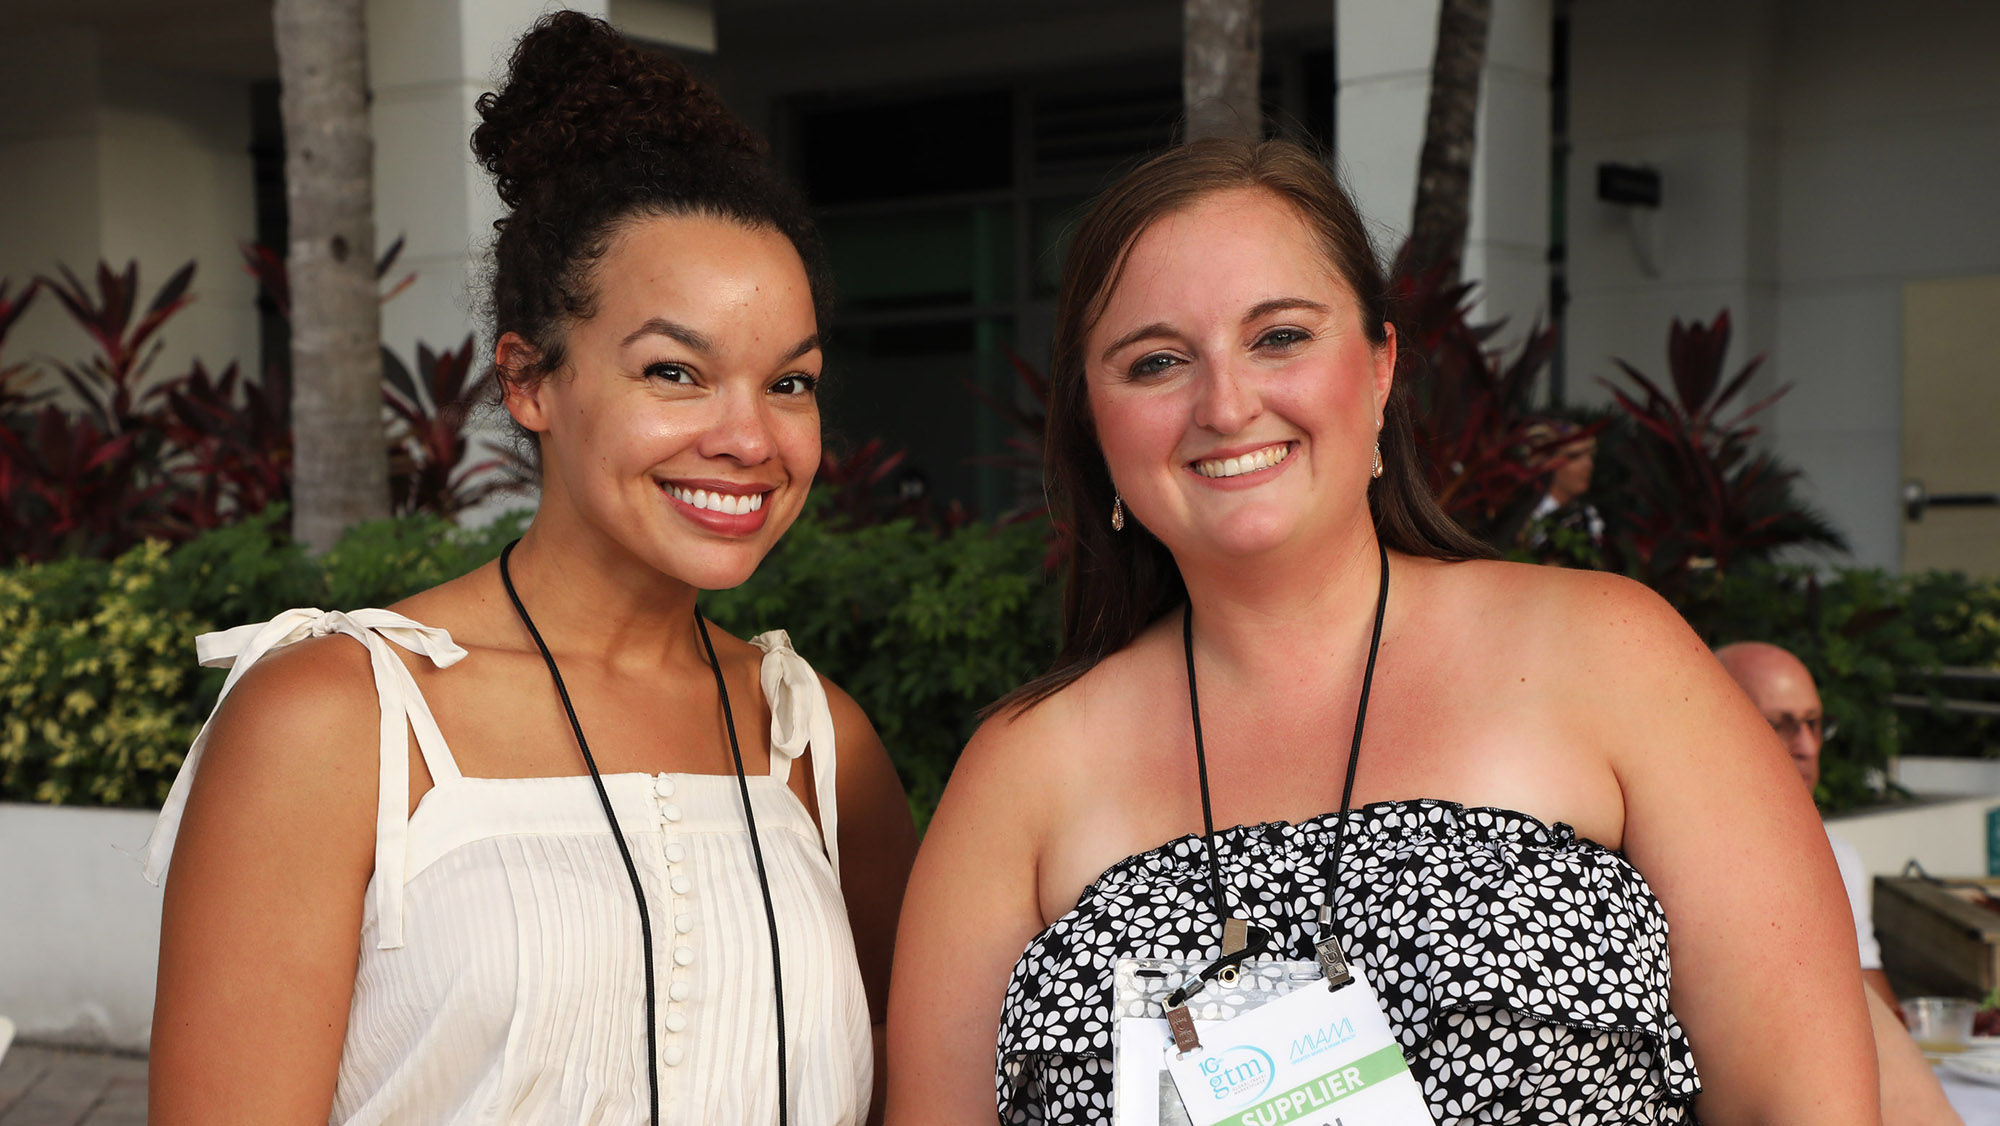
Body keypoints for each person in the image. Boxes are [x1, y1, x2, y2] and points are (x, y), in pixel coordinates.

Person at [886, 138, 1878, 1124]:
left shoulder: (1611, 654)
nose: (1225, 404)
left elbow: (1801, 1104)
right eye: (1155, 361)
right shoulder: (1020, 772)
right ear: (1093, 427)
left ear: (1377, 369)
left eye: (1278, 336)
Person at [142, 14, 916, 1124]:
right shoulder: (339, 720)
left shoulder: (812, 739)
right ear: (528, 380)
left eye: (789, 383)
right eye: (675, 371)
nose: (751, 438)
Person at [1716, 641, 1962, 1126]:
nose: (1805, 746)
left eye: (1814, 723)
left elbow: (1876, 1010)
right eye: (1780, 723)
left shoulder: (1836, 856)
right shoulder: (1655, 857)